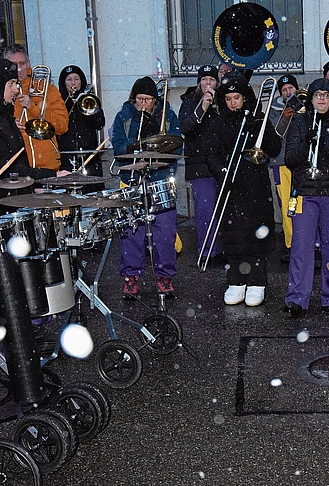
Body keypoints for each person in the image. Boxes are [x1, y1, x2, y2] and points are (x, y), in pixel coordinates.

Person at [204, 72, 281, 306]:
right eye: (228, 99)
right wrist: (221, 170)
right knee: (233, 235)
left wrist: (263, 128)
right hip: (231, 185)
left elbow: (274, 148)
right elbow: (210, 153)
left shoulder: (257, 118)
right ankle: (236, 281)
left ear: (245, 97)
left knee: (257, 233)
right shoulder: (218, 122)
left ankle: (257, 283)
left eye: (236, 97)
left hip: (256, 185)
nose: (232, 102)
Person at [283, 78, 329, 317]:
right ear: (311, 99)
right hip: (305, 193)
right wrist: (307, 143)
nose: (321, 99)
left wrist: (324, 143)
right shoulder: (300, 122)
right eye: (317, 95)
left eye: (326, 95)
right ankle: (297, 298)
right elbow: (290, 159)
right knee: (301, 248)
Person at [0, 56, 65, 216]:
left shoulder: (2, 114)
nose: (17, 89)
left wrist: (33, 187)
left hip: (10, 202)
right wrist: (52, 176)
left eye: (16, 83)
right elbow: (5, 169)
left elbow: (18, 161)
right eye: (10, 84)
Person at [111, 76, 181, 297]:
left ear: (155, 100)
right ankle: (131, 277)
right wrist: (138, 142)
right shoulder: (123, 117)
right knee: (131, 232)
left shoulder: (167, 115)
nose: (143, 104)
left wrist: (159, 142)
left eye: (148, 99)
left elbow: (177, 145)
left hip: (160, 178)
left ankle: (164, 276)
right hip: (132, 180)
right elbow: (119, 148)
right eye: (140, 99)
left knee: (165, 232)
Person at [4, 44, 69, 171]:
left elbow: (62, 126)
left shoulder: (47, 88)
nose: (18, 69)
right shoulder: (2, 91)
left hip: (47, 165)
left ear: (28, 63)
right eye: (13, 64)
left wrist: (33, 107)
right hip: (18, 167)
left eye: (22, 63)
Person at [179, 65, 221, 264]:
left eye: (211, 80)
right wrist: (202, 107)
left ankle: (223, 250)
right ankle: (207, 252)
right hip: (199, 165)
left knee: (223, 210)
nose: (207, 84)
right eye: (204, 80)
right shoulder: (189, 102)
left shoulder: (222, 101)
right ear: (198, 83)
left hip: (220, 164)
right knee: (205, 212)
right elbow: (185, 128)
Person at [57, 64, 106, 187]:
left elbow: (100, 123)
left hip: (90, 156)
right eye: (69, 79)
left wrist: (88, 108)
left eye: (76, 79)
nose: (73, 83)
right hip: (67, 156)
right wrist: (69, 103)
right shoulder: (58, 102)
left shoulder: (88, 99)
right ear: (64, 83)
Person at [269, 73, 301, 257]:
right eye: (285, 90)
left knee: (304, 204)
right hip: (281, 163)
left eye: (291, 88)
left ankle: (309, 241)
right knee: (287, 205)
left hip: (301, 161)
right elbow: (275, 135)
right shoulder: (274, 109)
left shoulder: (306, 104)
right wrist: (285, 117)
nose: (289, 92)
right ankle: (291, 243)